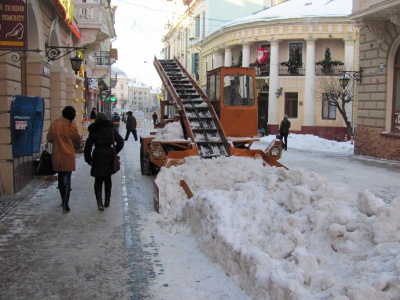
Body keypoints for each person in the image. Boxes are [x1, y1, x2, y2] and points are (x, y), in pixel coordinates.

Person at [84, 112, 124, 211]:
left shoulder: (94, 130)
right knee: (107, 178)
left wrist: (88, 159)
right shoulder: (111, 129)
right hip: (109, 156)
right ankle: (107, 201)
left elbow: (88, 147)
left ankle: (99, 202)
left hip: (97, 155)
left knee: (98, 180)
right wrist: (114, 152)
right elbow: (121, 142)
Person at [47, 106, 82, 213]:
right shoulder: (71, 125)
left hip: (57, 154)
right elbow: (77, 139)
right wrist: (76, 146)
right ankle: (65, 204)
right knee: (67, 177)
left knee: (61, 176)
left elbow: (49, 138)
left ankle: (63, 200)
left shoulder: (54, 123)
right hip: (68, 154)